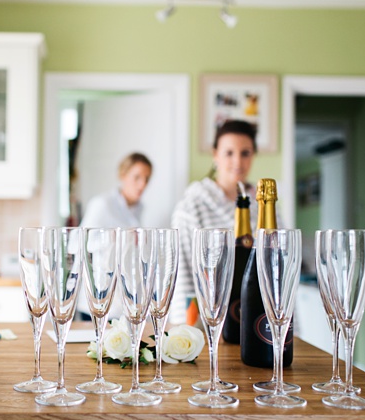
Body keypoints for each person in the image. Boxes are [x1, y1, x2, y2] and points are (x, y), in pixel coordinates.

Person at [170, 119, 257, 305]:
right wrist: (186, 331)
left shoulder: (264, 206)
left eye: (245, 153)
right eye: (229, 153)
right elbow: (182, 279)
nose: (238, 161)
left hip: (259, 321)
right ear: (215, 155)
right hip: (211, 322)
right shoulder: (191, 207)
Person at [80, 152, 153, 229]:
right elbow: (78, 239)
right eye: (137, 177)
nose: (143, 184)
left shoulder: (139, 208)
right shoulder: (102, 204)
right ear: (123, 175)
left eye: (147, 179)